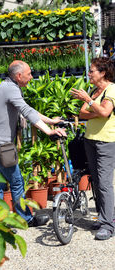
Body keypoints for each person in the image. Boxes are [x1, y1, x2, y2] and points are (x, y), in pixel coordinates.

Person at [0, 60, 66, 227]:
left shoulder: (8, 87)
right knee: (16, 183)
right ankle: (26, 219)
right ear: (19, 75)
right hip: (2, 146)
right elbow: (27, 112)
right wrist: (49, 131)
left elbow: (28, 108)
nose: (31, 77)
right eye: (29, 74)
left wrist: (51, 121)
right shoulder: (10, 89)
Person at [70, 57, 115, 240]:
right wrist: (94, 105)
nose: (89, 74)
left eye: (92, 71)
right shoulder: (95, 92)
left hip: (106, 141)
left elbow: (105, 112)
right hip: (90, 140)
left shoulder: (111, 89)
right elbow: (82, 114)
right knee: (96, 182)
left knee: (104, 183)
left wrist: (90, 102)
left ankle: (108, 224)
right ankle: (104, 216)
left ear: (103, 73)